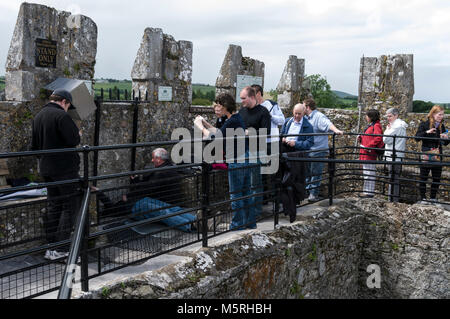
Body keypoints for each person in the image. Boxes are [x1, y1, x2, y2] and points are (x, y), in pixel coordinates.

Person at [95, 148, 198, 232]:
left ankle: (195, 222)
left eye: (153, 158)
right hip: (139, 206)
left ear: (158, 159)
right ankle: (191, 225)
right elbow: (110, 207)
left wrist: (128, 195)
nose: (152, 160)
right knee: (165, 211)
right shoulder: (167, 168)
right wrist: (99, 192)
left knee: (168, 210)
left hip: (141, 203)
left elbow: (148, 187)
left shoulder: (162, 172)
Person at [31, 88, 81, 260]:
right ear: (64, 102)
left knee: (54, 206)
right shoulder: (62, 116)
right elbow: (74, 140)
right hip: (64, 169)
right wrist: (77, 132)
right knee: (69, 207)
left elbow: (34, 146)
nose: (68, 108)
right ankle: (61, 249)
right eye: (68, 105)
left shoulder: (39, 116)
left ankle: (51, 247)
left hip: (46, 168)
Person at [194, 93, 254, 230]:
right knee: (246, 193)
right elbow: (221, 131)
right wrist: (206, 124)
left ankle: (238, 225)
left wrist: (200, 127)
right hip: (244, 158)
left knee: (236, 194)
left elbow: (216, 137)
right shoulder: (235, 118)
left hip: (237, 160)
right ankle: (250, 223)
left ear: (226, 106)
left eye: (219, 105)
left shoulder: (233, 120)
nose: (216, 108)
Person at [238, 86, 272, 223]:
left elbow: (266, 133)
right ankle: (246, 210)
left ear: (252, 97)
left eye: (243, 98)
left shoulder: (263, 112)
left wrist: (248, 133)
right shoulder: (241, 112)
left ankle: (256, 212)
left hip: (257, 151)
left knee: (254, 183)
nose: (241, 101)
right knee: (244, 183)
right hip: (243, 152)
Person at [304, 98, 343, 202]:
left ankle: (313, 194)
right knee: (308, 173)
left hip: (318, 150)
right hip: (308, 150)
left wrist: (336, 130)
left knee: (316, 173)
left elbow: (328, 124)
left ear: (307, 107)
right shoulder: (306, 118)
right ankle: (307, 193)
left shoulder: (318, 116)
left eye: (303, 106)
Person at [279, 103, 313, 221]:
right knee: (283, 182)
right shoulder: (288, 121)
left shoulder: (308, 126)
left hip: (297, 156)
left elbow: (309, 143)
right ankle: (286, 208)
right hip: (285, 154)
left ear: (304, 113)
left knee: (292, 183)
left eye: (299, 114)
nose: (297, 116)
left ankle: (292, 211)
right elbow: (281, 134)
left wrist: (296, 143)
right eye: (295, 113)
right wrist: (283, 139)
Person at [414, 105, 449, 205]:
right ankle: (423, 198)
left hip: (437, 155)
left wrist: (446, 138)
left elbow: (445, 143)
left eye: (442, 115)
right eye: (439, 114)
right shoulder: (424, 124)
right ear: (433, 114)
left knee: (436, 178)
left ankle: (433, 198)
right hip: (427, 154)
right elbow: (417, 138)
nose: (441, 116)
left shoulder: (441, 126)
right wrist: (427, 132)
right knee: (423, 177)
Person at [383, 108, 408, 202]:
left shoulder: (396, 127)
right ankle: (392, 199)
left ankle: (392, 200)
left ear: (396, 115)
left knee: (393, 179)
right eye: (387, 116)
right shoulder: (398, 125)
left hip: (394, 156)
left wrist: (386, 130)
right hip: (395, 155)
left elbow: (385, 139)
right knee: (393, 178)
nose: (388, 118)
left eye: (390, 116)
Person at [358, 109, 383, 198]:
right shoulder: (372, 125)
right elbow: (369, 137)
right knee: (367, 173)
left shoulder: (376, 126)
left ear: (371, 117)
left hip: (369, 153)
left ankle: (369, 193)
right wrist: (361, 137)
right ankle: (366, 191)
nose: (366, 117)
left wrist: (368, 146)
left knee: (369, 173)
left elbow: (378, 138)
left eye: (367, 116)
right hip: (366, 152)